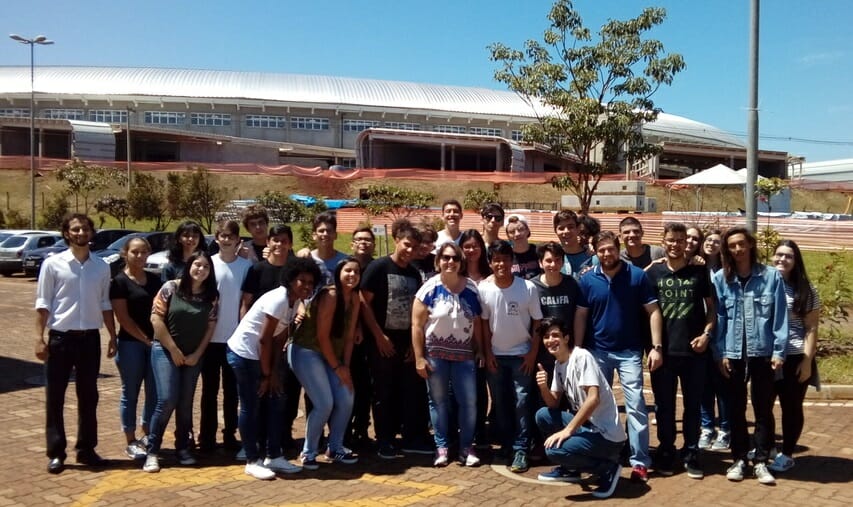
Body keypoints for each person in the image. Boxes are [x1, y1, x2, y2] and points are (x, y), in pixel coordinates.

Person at [574, 231, 663, 483]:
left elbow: (653, 311)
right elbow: (581, 315)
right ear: (595, 252)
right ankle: (601, 456)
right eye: (601, 250)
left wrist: (656, 346)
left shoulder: (636, 276)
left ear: (618, 248)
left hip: (629, 353)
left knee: (636, 406)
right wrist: (578, 350)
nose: (607, 254)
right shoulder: (587, 280)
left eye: (610, 249)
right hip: (597, 352)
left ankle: (640, 461)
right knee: (595, 406)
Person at [36, 213, 117, 474]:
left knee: (89, 396)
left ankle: (86, 449)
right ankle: (56, 452)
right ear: (66, 233)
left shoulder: (101, 266)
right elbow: (43, 303)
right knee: (55, 396)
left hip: (89, 339)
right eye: (75, 229)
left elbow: (105, 303)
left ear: (91, 233)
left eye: (85, 229)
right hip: (60, 338)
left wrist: (112, 336)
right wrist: (39, 338)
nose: (81, 233)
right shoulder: (53, 264)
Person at [227, 257, 319, 479]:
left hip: (262, 355)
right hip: (245, 354)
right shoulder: (278, 299)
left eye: (311, 282)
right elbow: (264, 339)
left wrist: (275, 372)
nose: (307, 286)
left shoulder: (294, 301)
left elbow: (279, 339)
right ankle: (252, 459)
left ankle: (274, 455)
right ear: (291, 280)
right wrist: (267, 375)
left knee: (277, 400)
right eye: (302, 281)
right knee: (251, 405)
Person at [712, 227, 788, 485]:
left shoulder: (770, 277)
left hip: (763, 353)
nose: (737, 249)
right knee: (735, 409)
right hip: (732, 353)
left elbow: (780, 316)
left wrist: (779, 351)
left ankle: (761, 461)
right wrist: (720, 353)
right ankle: (739, 459)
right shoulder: (721, 279)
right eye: (732, 245)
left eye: (741, 244)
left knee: (763, 408)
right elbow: (719, 318)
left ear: (750, 245)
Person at [645, 223, 715, 479]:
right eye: (671, 240)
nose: (675, 244)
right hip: (663, 352)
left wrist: (706, 334)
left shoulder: (699, 271)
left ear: (687, 242)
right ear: (663, 242)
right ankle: (666, 449)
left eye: (680, 240)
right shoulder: (653, 273)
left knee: (693, 406)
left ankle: (691, 451)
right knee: (664, 406)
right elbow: (647, 310)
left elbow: (712, 308)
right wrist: (653, 348)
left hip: (694, 352)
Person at [534, 317, 626, 499]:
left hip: (607, 436)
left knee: (554, 450)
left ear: (566, 338)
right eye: (546, 337)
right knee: (543, 415)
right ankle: (571, 468)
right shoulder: (559, 364)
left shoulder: (581, 357)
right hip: (589, 429)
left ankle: (607, 468)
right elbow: (553, 403)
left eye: (555, 335)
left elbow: (593, 399)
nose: (550, 340)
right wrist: (543, 387)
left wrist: (568, 431)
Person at [144, 251, 219, 473]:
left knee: (186, 403)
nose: (201, 270)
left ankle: (183, 448)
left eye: (206, 267)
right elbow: (156, 319)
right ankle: (152, 451)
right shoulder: (170, 288)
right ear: (189, 266)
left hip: (193, 355)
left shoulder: (211, 295)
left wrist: (197, 354)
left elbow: (210, 327)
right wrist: (174, 350)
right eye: (197, 265)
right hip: (165, 351)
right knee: (167, 400)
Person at [360, 219, 429, 459]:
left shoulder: (414, 273)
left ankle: (407, 438)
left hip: (405, 342)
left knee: (407, 392)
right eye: (406, 244)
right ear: (396, 240)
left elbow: (416, 313)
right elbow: (363, 302)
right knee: (383, 392)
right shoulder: (378, 267)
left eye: (414, 247)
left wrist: (412, 344)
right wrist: (378, 336)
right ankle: (384, 440)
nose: (410, 250)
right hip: (381, 343)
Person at [412, 241, 483, 467]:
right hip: (435, 355)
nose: (450, 262)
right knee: (438, 401)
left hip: (464, 356)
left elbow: (478, 323)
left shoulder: (471, 288)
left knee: (469, 402)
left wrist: (481, 350)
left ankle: (466, 447)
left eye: (455, 258)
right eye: (446, 258)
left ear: (461, 262)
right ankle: (441, 447)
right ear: (438, 261)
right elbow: (416, 325)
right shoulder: (429, 288)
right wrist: (419, 357)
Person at [289, 257, 362, 469]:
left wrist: (346, 367)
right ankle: (309, 452)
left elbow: (349, 337)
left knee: (347, 397)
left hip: (331, 355)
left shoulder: (355, 298)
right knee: (324, 403)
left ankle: (335, 447)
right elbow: (322, 337)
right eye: (348, 271)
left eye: (356, 272)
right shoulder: (330, 295)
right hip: (307, 350)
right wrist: (338, 368)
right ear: (339, 273)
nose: (352, 275)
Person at [479, 239, 542, 473]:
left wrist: (532, 353)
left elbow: (537, 323)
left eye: (505, 259)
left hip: (521, 356)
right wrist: (488, 353)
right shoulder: (484, 289)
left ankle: (521, 448)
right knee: (501, 403)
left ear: (512, 261)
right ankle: (506, 444)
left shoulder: (528, 288)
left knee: (522, 403)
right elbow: (484, 324)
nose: (501, 264)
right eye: (496, 260)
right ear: (490, 262)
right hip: (496, 356)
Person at [199, 220, 252, 453]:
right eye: (223, 236)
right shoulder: (208, 264)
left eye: (231, 236)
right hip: (210, 339)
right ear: (216, 238)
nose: (227, 240)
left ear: (238, 239)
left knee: (232, 393)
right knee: (209, 391)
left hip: (235, 340)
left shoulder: (246, 266)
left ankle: (230, 435)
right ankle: (207, 437)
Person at [768, 240, 820, 473]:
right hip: (767, 356)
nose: (782, 259)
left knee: (791, 407)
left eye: (788, 256)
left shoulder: (805, 290)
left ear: (796, 260)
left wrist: (807, 361)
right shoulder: (764, 283)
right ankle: (767, 447)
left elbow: (811, 327)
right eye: (779, 254)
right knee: (763, 406)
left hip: (795, 356)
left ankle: (787, 454)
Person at [110, 236, 160, 461]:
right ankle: (130, 440)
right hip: (131, 345)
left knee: (154, 393)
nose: (140, 256)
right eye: (135, 252)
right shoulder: (119, 282)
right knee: (130, 393)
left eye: (143, 252)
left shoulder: (155, 280)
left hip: (155, 345)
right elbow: (124, 319)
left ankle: (147, 435)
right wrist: (146, 340)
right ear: (125, 254)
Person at [531, 242, 580, 387]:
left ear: (563, 262)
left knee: (570, 392)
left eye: (557, 260)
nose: (553, 264)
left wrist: (577, 346)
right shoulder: (532, 287)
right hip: (542, 352)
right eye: (548, 260)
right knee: (545, 391)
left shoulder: (572, 284)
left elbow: (579, 316)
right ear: (540, 263)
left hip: (567, 349)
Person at [698, 227, 728, 450]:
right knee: (703, 386)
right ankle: (707, 427)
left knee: (722, 385)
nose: (711, 243)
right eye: (708, 239)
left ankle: (725, 429)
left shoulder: (727, 271)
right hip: (699, 334)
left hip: (720, 334)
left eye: (716, 241)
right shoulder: (695, 266)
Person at [347, 226, 376, 449]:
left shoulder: (376, 267)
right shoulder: (347, 267)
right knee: (348, 385)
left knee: (366, 386)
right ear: (352, 244)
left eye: (367, 240)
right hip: (347, 336)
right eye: (359, 239)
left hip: (371, 336)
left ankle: (362, 429)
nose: (363, 243)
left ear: (373, 245)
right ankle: (344, 430)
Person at [297, 211, 348, 286]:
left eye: (329, 231)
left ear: (335, 235)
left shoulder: (344, 261)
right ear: (314, 236)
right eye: (321, 231)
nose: (325, 234)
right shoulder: (307, 258)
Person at [552, 210, 593, 278]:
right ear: (555, 231)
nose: (566, 231)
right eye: (561, 228)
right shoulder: (552, 257)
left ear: (578, 229)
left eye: (570, 227)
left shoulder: (591, 257)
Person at [506, 214, 541, 280]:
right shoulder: (506, 256)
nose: (517, 234)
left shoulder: (539, 251)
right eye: (512, 231)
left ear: (527, 231)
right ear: (508, 236)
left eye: (520, 229)